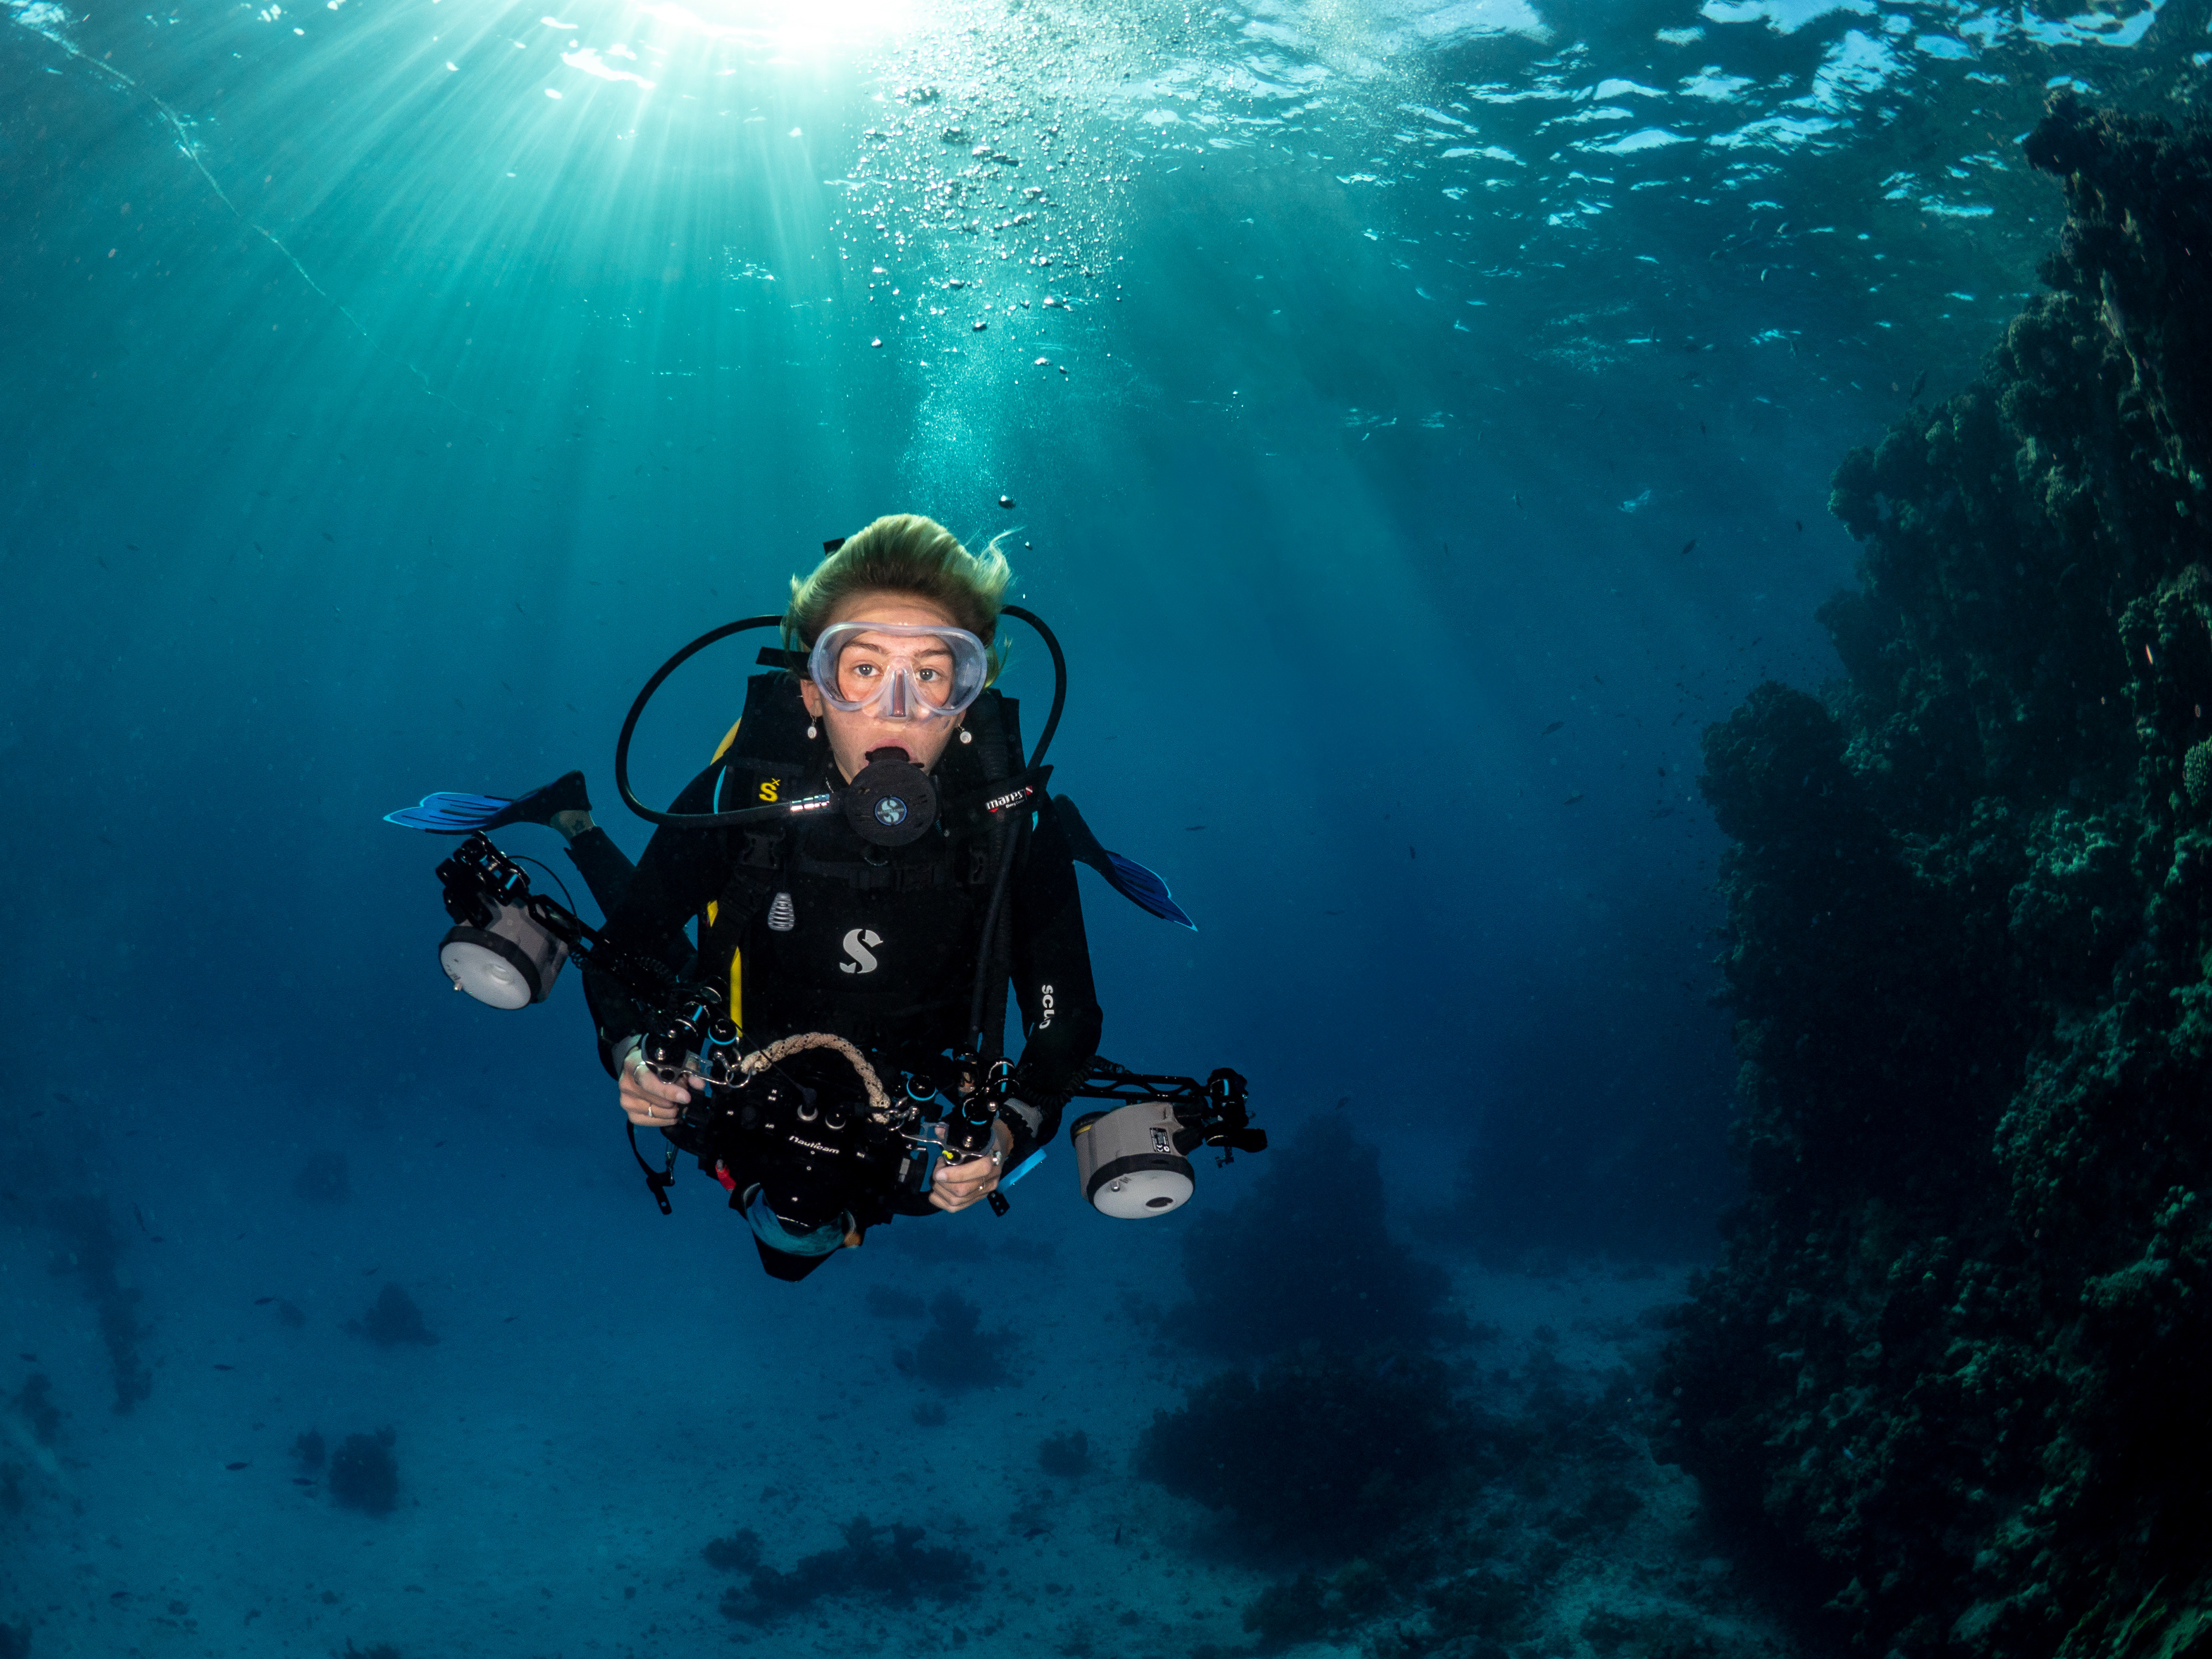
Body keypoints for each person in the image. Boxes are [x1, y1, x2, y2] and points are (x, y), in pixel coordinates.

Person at [461, 516, 1107, 1279]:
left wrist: (634, 1052)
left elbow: (1066, 1026)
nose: (897, 708)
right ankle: (575, 821)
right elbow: (630, 944)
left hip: (761, 1040)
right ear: (811, 692)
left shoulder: (1009, 829)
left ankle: (574, 822)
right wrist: (1003, 1136)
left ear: (968, 701)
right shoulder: (751, 791)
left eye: (933, 674)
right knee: (665, 955)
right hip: (771, 1015)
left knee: (666, 965)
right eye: (861, 669)